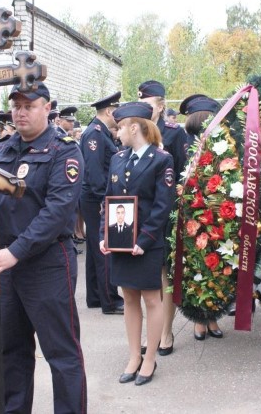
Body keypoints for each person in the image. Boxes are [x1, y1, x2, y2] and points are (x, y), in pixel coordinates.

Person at [0, 82, 87, 413]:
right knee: (12, 353)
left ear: (47, 108)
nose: (20, 111)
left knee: (61, 353)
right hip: (6, 265)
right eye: (16, 105)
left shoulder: (64, 150)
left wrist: (14, 252)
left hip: (46, 263)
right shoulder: (1, 150)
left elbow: (56, 212)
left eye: (29, 105)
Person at [99, 101, 176, 386]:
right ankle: (134, 356)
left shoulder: (161, 159)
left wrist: (144, 239)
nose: (117, 133)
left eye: (120, 127)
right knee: (128, 297)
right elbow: (107, 201)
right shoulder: (118, 159)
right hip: (120, 241)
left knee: (151, 298)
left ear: (134, 127)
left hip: (147, 243)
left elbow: (161, 206)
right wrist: (102, 235)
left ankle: (151, 357)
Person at [137, 80, 189, 356]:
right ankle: (150, 332)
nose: (144, 110)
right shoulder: (134, 133)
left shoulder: (174, 134)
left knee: (164, 275)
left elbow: (183, 176)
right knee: (145, 280)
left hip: (167, 216)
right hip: (139, 219)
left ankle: (166, 332)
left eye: (148, 105)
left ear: (160, 106)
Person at [179, 93, 224, 341]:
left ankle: (213, 316)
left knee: (215, 264)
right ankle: (198, 319)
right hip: (189, 213)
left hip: (215, 213)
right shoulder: (182, 140)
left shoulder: (221, 141)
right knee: (194, 267)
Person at [79, 91, 125, 314]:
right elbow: (95, 171)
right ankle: (110, 300)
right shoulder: (96, 134)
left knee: (94, 248)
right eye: (116, 110)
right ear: (109, 111)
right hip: (96, 197)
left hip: (94, 197)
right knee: (104, 248)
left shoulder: (99, 131)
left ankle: (96, 297)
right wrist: (102, 200)